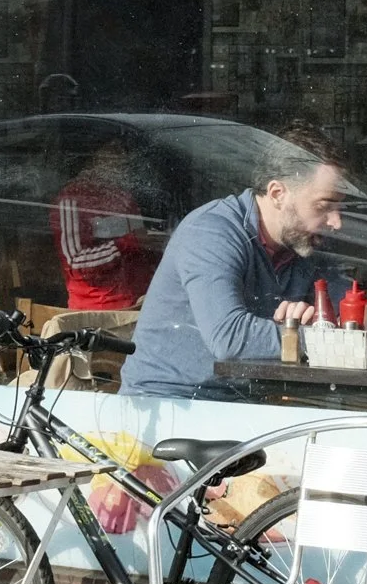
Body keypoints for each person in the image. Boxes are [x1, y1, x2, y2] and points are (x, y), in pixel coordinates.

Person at [120, 125, 349, 397]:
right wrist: (318, 338)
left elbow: (350, 315)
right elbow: (229, 337)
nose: (336, 222)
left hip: (243, 405)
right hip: (169, 405)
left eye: (339, 208)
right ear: (277, 194)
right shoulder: (211, 232)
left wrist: (337, 326)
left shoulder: (301, 244)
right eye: (324, 206)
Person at [51, 139, 161, 310]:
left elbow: (141, 248)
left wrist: (156, 245)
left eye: (123, 154)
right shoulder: (72, 199)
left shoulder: (125, 198)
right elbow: (75, 263)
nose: (121, 160)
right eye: (112, 152)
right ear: (94, 157)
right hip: (101, 310)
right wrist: (129, 243)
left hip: (141, 302)